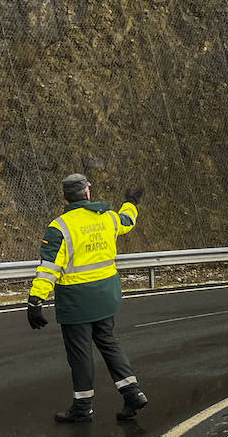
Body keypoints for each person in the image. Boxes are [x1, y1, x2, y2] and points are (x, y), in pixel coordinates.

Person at [27, 173, 148, 423]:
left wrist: (36, 300)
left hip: (76, 301)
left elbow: (49, 268)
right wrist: (131, 203)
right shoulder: (107, 217)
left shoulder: (59, 227)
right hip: (106, 295)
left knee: (80, 354)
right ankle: (132, 392)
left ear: (64, 196)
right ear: (87, 193)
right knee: (108, 342)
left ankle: (82, 408)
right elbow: (128, 220)